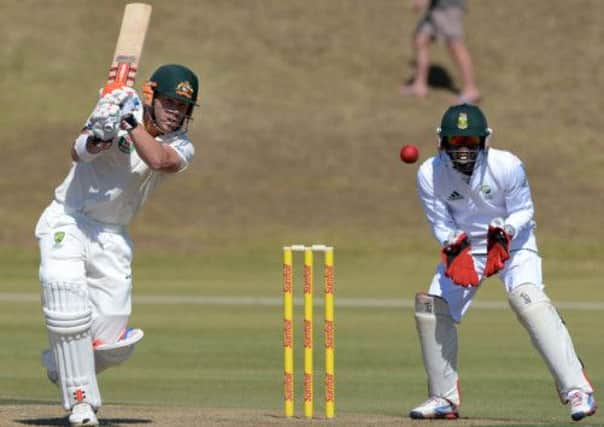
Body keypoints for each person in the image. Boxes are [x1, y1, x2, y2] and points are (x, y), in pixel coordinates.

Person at [409, 103, 597, 421]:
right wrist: (453, 246)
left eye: (471, 142)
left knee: (528, 300)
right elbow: (440, 222)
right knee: (431, 307)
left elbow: (524, 211)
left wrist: (506, 232)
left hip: (513, 245)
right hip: (466, 248)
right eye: (457, 142)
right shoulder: (429, 172)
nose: (464, 151)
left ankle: (577, 390)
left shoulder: (507, 165)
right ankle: (443, 398)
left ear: (486, 140)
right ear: (441, 141)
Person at [35, 64, 199, 426]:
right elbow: (79, 152)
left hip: (112, 235)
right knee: (65, 295)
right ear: (150, 95)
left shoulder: (181, 145)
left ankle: (60, 364)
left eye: (182, 106)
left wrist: (128, 124)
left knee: (113, 345)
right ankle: (81, 403)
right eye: (169, 101)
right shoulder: (117, 106)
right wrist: (99, 134)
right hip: (70, 218)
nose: (174, 111)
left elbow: (157, 160)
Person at [401, 0, 480, 103]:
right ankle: (420, 85)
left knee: (455, 45)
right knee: (421, 39)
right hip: (436, 7)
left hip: (448, 7)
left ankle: (471, 90)